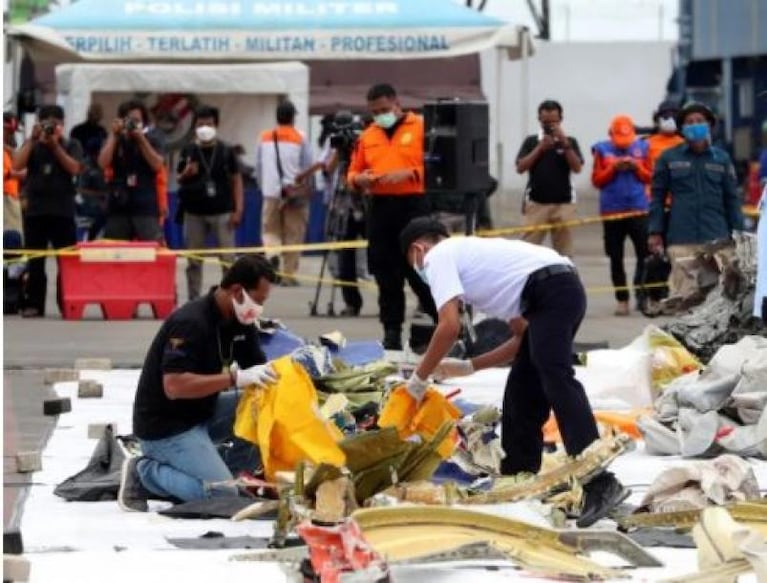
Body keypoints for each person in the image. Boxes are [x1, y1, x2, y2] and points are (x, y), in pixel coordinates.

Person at [398, 217, 628, 528]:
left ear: (417, 250)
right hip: (555, 291)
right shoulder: (477, 266)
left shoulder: (438, 255)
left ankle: (599, 480)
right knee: (522, 388)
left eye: (414, 264)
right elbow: (521, 337)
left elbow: (448, 326)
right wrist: (469, 366)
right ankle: (519, 477)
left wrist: (418, 379)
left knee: (554, 374)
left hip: (553, 291)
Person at [118, 255, 279, 512]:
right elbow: (174, 387)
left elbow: (257, 370)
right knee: (221, 497)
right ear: (237, 291)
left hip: (202, 412)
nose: (259, 308)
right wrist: (234, 378)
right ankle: (143, 473)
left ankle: (234, 473)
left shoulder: (241, 321)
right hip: (167, 427)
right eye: (258, 300)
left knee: (265, 405)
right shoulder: (191, 322)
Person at [348, 83, 437, 349]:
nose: (381, 115)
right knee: (385, 273)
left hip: (413, 206)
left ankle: (444, 324)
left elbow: (438, 162)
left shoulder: (420, 127)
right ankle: (392, 332)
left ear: (397, 103)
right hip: (381, 207)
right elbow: (351, 173)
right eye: (375, 111)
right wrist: (359, 179)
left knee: (420, 270)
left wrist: (410, 173)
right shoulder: (368, 136)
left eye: (385, 109)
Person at [648, 103, 744, 305]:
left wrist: (740, 234)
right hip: (682, 238)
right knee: (685, 299)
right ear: (682, 129)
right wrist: (655, 231)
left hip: (718, 239)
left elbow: (732, 199)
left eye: (700, 121)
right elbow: (656, 197)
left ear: (709, 125)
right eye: (689, 122)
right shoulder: (668, 158)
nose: (695, 125)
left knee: (722, 300)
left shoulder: (722, 158)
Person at [12, 105, 83, 318]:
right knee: (36, 261)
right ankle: (34, 303)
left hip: (63, 211)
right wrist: (33, 140)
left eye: (56, 124)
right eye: (47, 124)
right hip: (36, 210)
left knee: (66, 262)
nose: (52, 128)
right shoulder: (33, 144)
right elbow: (16, 165)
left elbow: (74, 168)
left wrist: (55, 147)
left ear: (62, 124)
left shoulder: (71, 144)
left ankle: (67, 302)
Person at [296, 113, 364, 316]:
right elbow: (328, 169)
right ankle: (351, 302)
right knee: (344, 256)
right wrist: (340, 152)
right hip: (343, 204)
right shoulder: (336, 144)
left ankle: (389, 300)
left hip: (367, 202)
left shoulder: (369, 140)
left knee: (380, 255)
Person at [176, 105, 244, 301]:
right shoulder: (188, 149)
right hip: (194, 212)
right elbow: (179, 177)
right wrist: (186, 173)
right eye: (200, 124)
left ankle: (229, 300)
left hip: (222, 211)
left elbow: (236, 180)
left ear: (216, 125)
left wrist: (238, 209)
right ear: (195, 126)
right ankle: (194, 300)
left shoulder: (226, 150)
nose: (204, 127)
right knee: (194, 261)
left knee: (228, 261)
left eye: (209, 123)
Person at [591, 115, 652, 315]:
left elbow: (650, 176)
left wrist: (636, 167)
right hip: (612, 210)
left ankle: (642, 295)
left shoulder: (643, 148)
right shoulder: (602, 150)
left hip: (638, 208)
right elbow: (597, 180)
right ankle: (622, 298)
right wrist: (612, 168)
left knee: (645, 254)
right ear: (611, 135)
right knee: (615, 256)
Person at [515, 99, 584, 257]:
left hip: (564, 203)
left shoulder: (570, 141)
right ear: (539, 120)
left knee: (565, 252)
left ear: (561, 120)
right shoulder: (532, 141)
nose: (550, 126)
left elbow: (577, 167)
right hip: (536, 202)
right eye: (546, 122)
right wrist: (540, 148)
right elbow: (520, 167)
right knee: (527, 250)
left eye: (554, 122)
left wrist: (565, 143)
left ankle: (564, 279)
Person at [255, 100, 313, 287]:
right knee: (294, 234)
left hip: (271, 192)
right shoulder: (300, 137)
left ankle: (272, 255)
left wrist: (264, 186)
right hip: (293, 194)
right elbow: (307, 166)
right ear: (293, 117)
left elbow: (259, 166)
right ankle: (288, 274)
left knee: (270, 230)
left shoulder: (264, 137)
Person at [98, 99, 166, 241]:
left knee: (150, 253)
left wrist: (141, 139)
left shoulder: (153, 138)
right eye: (129, 120)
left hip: (145, 206)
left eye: (137, 120)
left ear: (144, 121)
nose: (133, 124)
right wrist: (113, 135)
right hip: (118, 206)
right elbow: (103, 163)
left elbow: (157, 165)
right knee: (115, 254)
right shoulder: (115, 139)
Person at [3, 112, 24, 236]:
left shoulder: (7, 149)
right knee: (12, 234)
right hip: (6, 195)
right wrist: (19, 174)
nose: (12, 134)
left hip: (11, 194)